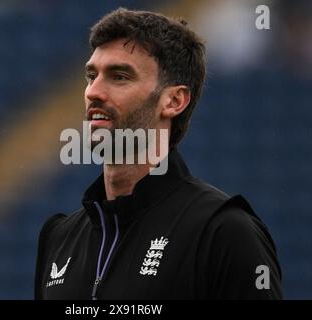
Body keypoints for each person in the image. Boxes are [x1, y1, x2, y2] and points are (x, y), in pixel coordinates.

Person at [35, 8, 283, 300]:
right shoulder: (60, 238)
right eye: (92, 76)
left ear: (174, 100)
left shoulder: (223, 232)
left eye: (119, 76)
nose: (93, 92)